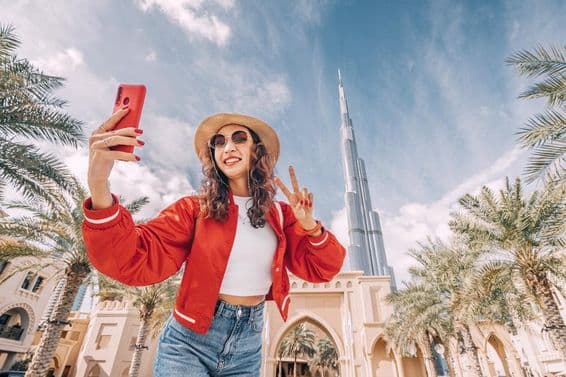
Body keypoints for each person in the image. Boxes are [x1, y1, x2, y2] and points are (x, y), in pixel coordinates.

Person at [82, 110, 346, 376]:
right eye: (219, 142)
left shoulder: (281, 216)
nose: (228, 147)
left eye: (239, 138)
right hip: (187, 345)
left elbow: (322, 269)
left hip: (248, 348)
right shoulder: (194, 210)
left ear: (257, 151)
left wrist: (310, 227)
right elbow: (134, 257)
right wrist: (98, 184)